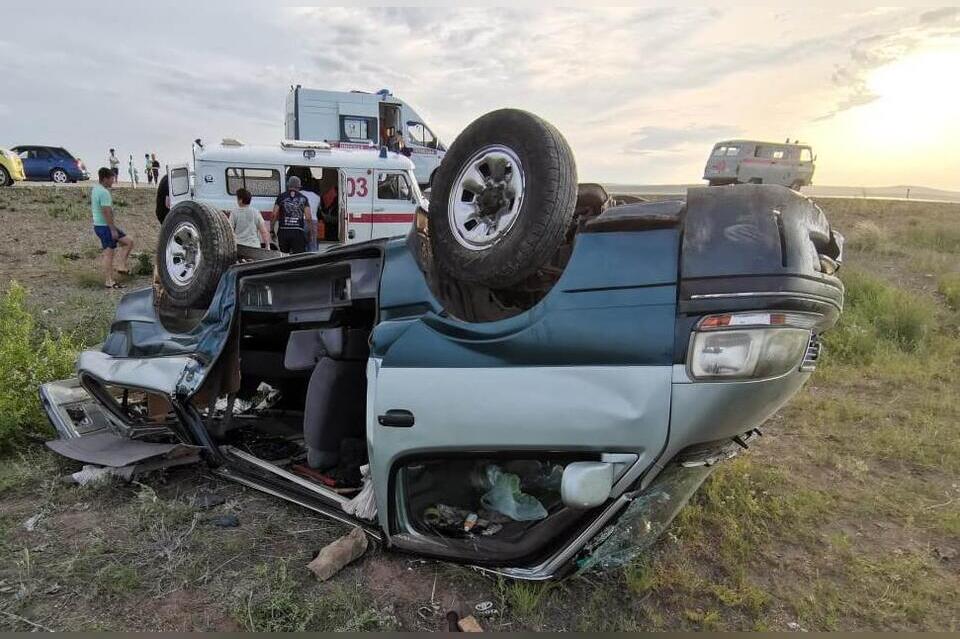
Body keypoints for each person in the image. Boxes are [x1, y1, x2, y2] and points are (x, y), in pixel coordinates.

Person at [91, 167, 134, 289]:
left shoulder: (96, 189)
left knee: (128, 242)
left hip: (100, 225)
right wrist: (112, 229)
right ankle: (109, 281)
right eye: (111, 179)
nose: (113, 181)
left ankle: (121, 266)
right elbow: (107, 212)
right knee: (109, 254)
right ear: (105, 179)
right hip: (105, 227)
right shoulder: (104, 193)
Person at [271, 175, 314, 254]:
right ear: (299, 187)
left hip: (283, 231)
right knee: (298, 258)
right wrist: (310, 232)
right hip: (298, 232)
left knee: (283, 256)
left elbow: (274, 215)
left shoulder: (281, 197)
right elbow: (308, 217)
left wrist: (272, 230)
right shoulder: (304, 198)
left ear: (288, 185)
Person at [300, 179, 322, 251]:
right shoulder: (317, 197)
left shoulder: (299, 194)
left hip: (300, 221)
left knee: (301, 244)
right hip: (313, 221)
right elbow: (319, 210)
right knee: (312, 244)